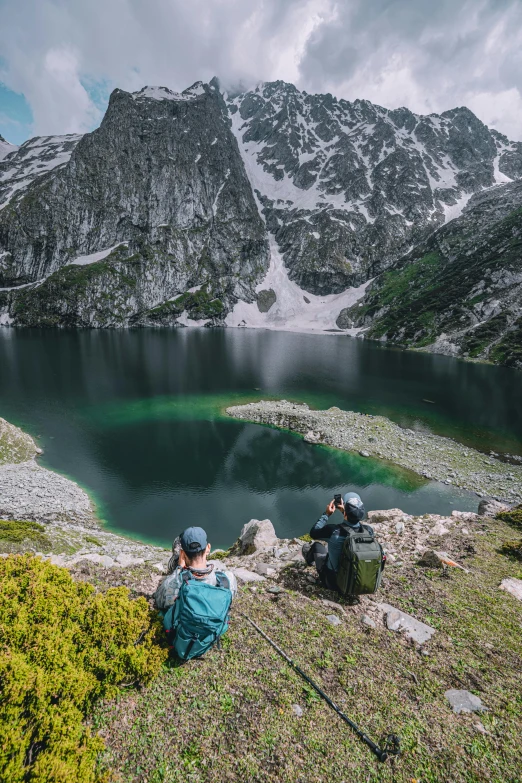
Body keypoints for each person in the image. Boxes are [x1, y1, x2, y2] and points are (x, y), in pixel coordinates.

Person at [303, 492, 375, 591]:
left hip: (333, 583)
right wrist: (345, 512)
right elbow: (355, 525)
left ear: (345, 512)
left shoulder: (334, 531)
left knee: (316, 546)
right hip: (359, 582)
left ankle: (309, 561)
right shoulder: (369, 531)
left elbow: (313, 533)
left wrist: (327, 514)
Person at [155, 526, 237, 612]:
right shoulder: (227, 580)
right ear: (208, 548)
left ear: (182, 553)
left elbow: (159, 600)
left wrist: (178, 569)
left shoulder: (174, 583)